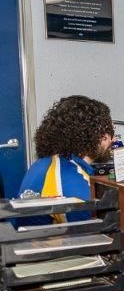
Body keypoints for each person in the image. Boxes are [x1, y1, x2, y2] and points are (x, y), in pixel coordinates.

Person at [17, 95, 114, 225]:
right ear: (92, 137)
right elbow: (84, 231)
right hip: (56, 238)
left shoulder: (51, 162)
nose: (112, 140)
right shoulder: (70, 180)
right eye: (107, 134)